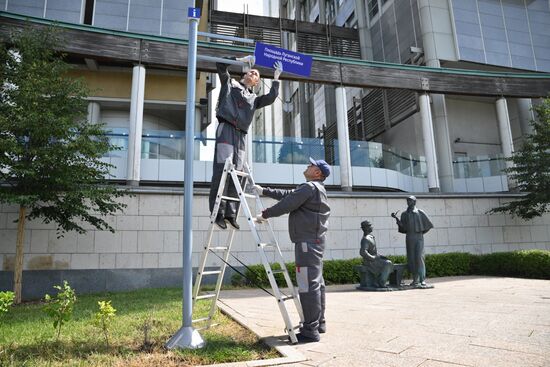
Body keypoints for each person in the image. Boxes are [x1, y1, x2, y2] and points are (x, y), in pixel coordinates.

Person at [254, 157, 331, 343]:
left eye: (311, 165)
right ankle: (319, 323)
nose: (308, 166)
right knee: (316, 282)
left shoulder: (310, 188)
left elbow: (288, 204)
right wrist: (264, 190)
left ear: (317, 172)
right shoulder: (313, 189)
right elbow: (291, 195)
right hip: (314, 241)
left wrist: (265, 214)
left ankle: (309, 331)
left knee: (307, 284)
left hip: (307, 243)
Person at [209, 56, 283, 230]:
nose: (253, 73)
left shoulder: (254, 99)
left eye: (256, 74)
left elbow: (271, 97)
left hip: (241, 136)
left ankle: (231, 214)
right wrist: (239, 59)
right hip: (226, 129)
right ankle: (217, 213)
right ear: (245, 74)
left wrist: (276, 77)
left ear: (257, 82)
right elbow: (220, 65)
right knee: (222, 171)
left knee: (238, 174)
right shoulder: (231, 84)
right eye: (251, 71)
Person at [391, 196, 433, 286]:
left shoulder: (420, 212)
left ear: (414, 202)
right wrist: (398, 221)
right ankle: (415, 280)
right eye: (407, 201)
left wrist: (420, 233)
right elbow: (403, 229)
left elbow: (428, 226)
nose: (408, 202)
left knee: (419, 258)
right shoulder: (404, 214)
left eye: (410, 201)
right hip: (409, 237)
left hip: (418, 237)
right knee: (412, 259)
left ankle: (422, 279)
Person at [359, 220, 393, 288]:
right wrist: (373, 258)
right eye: (370, 225)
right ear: (365, 228)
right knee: (388, 263)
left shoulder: (371, 237)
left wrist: (380, 256)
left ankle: (378, 281)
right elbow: (363, 252)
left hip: (374, 259)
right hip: (369, 261)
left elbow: (373, 251)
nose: (372, 227)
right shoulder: (365, 239)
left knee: (387, 261)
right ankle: (381, 282)